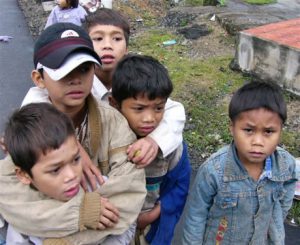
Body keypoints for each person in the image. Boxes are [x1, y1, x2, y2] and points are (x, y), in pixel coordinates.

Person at [0, 22, 146, 244]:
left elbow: (129, 193)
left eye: (85, 68)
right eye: (64, 70)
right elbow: (11, 196)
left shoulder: (112, 121)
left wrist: (65, 241)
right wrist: (79, 212)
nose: (76, 79)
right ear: (39, 79)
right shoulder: (28, 128)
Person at [22, 8, 186, 185]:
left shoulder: (136, 81)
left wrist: (155, 140)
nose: (108, 45)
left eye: (117, 38)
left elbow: (174, 110)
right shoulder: (76, 86)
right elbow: (34, 102)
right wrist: (69, 144)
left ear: (127, 47)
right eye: (98, 38)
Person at [182, 81, 297, 245]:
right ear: (232, 127)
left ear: (280, 131)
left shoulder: (285, 163)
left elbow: (289, 183)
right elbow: (196, 215)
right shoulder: (213, 171)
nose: (258, 141)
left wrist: (278, 215)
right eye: (248, 130)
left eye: (269, 132)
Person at [110, 54, 191, 245]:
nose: (150, 118)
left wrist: (154, 214)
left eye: (158, 108)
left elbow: (180, 186)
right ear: (114, 104)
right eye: (139, 109)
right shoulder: (108, 143)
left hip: (151, 228)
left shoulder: (172, 147)